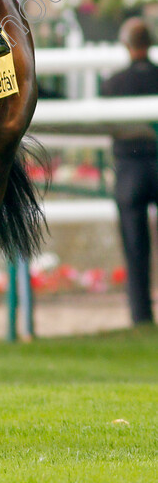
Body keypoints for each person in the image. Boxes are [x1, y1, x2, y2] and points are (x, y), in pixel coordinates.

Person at [101, 17, 158, 326]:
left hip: (129, 171)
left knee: (136, 250)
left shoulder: (114, 84)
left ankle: (141, 315)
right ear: (149, 43)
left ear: (126, 45)